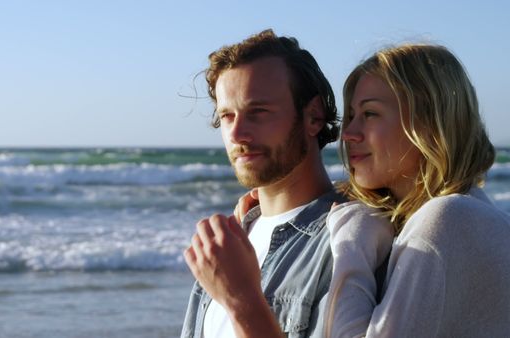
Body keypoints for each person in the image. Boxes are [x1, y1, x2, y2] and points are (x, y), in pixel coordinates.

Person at [325, 43, 510, 337]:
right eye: (350, 115)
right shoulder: (474, 215)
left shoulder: (447, 219)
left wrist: (352, 241)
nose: (348, 133)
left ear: (429, 123)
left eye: (370, 114)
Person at [180, 29, 347, 338]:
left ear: (313, 117)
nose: (237, 134)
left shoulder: (347, 240)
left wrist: (240, 300)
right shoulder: (230, 241)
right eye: (227, 116)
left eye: (258, 112)